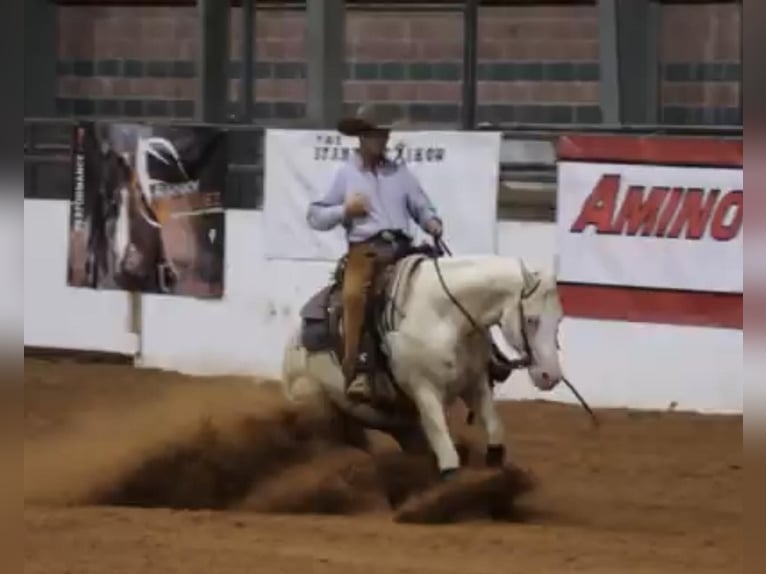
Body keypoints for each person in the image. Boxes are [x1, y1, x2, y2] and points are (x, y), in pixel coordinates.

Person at [306, 105, 443, 402]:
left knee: (443, 287)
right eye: (375, 135)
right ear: (361, 137)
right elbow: (315, 215)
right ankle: (356, 370)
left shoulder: (400, 172)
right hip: (366, 251)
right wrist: (346, 210)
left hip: (404, 250)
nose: (382, 141)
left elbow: (420, 205)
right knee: (355, 296)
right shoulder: (344, 173)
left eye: (385, 135)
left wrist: (431, 221)